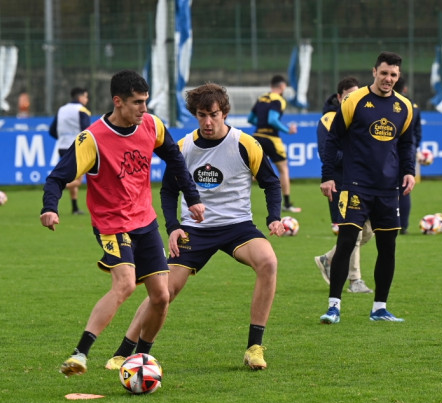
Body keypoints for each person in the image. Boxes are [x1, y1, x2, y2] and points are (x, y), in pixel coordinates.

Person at [106, 82, 284, 371]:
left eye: (213, 114)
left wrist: (273, 217)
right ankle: (126, 351)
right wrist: (174, 226)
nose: (208, 121)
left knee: (268, 262)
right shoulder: (183, 147)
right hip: (194, 230)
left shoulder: (246, 144)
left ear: (224, 112)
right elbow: (167, 191)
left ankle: (254, 347)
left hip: (237, 226)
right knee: (163, 292)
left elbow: (271, 183)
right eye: (202, 115)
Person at [40, 70, 205, 377]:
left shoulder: (152, 125)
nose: (144, 109)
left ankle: (139, 359)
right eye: (137, 103)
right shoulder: (93, 139)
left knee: (161, 296)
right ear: (118, 102)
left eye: (145, 101)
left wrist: (192, 197)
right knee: (126, 284)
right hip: (111, 224)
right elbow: (57, 177)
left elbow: (175, 159)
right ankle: (79, 355)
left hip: (145, 221)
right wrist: (50, 208)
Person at [319, 51, 415, 324]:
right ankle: (333, 306)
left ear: (398, 77)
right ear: (374, 71)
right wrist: (328, 176)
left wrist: (409, 172)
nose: (388, 79)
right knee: (346, 242)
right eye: (384, 73)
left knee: (388, 247)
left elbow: (407, 144)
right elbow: (333, 140)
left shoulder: (404, 107)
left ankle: (379, 308)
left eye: (393, 75)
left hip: (388, 189)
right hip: (355, 186)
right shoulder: (354, 101)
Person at [313, 76, 373, 294]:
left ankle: (328, 259)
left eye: (356, 96)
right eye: (348, 96)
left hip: (364, 182)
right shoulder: (329, 120)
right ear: (339, 98)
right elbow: (326, 153)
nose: (352, 100)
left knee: (369, 231)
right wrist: (356, 157)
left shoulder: (361, 117)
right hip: (340, 184)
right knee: (354, 231)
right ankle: (355, 280)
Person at [248, 75, 300, 212]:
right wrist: (287, 130)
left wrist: (261, 124)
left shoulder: (261, 98)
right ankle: (287, 204)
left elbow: (251, 119)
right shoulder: (279, 100)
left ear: (271, 86)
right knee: (283, 169)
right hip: (271, 138)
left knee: (251, 172)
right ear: (282, 86)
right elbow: (272, 120)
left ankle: (236, 200)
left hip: (257, 137)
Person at [49, 87, 91, 215]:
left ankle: (75, 207)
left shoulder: (61, 109)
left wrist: (62, 138)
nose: (87, 100)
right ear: (80, 98)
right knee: (77, 181)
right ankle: (52, 187)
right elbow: (87, 131)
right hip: (77, 147)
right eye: (86, 97)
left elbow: (52, 130)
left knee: (73, 176)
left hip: (62, 147)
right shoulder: (82, 110)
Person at [393, 76, 422, 234]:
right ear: (404, 89)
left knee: (380, 189)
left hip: (386, 153)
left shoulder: (385, 104)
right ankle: (403, 226)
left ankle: (377, 224)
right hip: (407, 153)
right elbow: (417, 133)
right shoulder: (413, 106)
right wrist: (412, 149)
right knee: (405, 188)